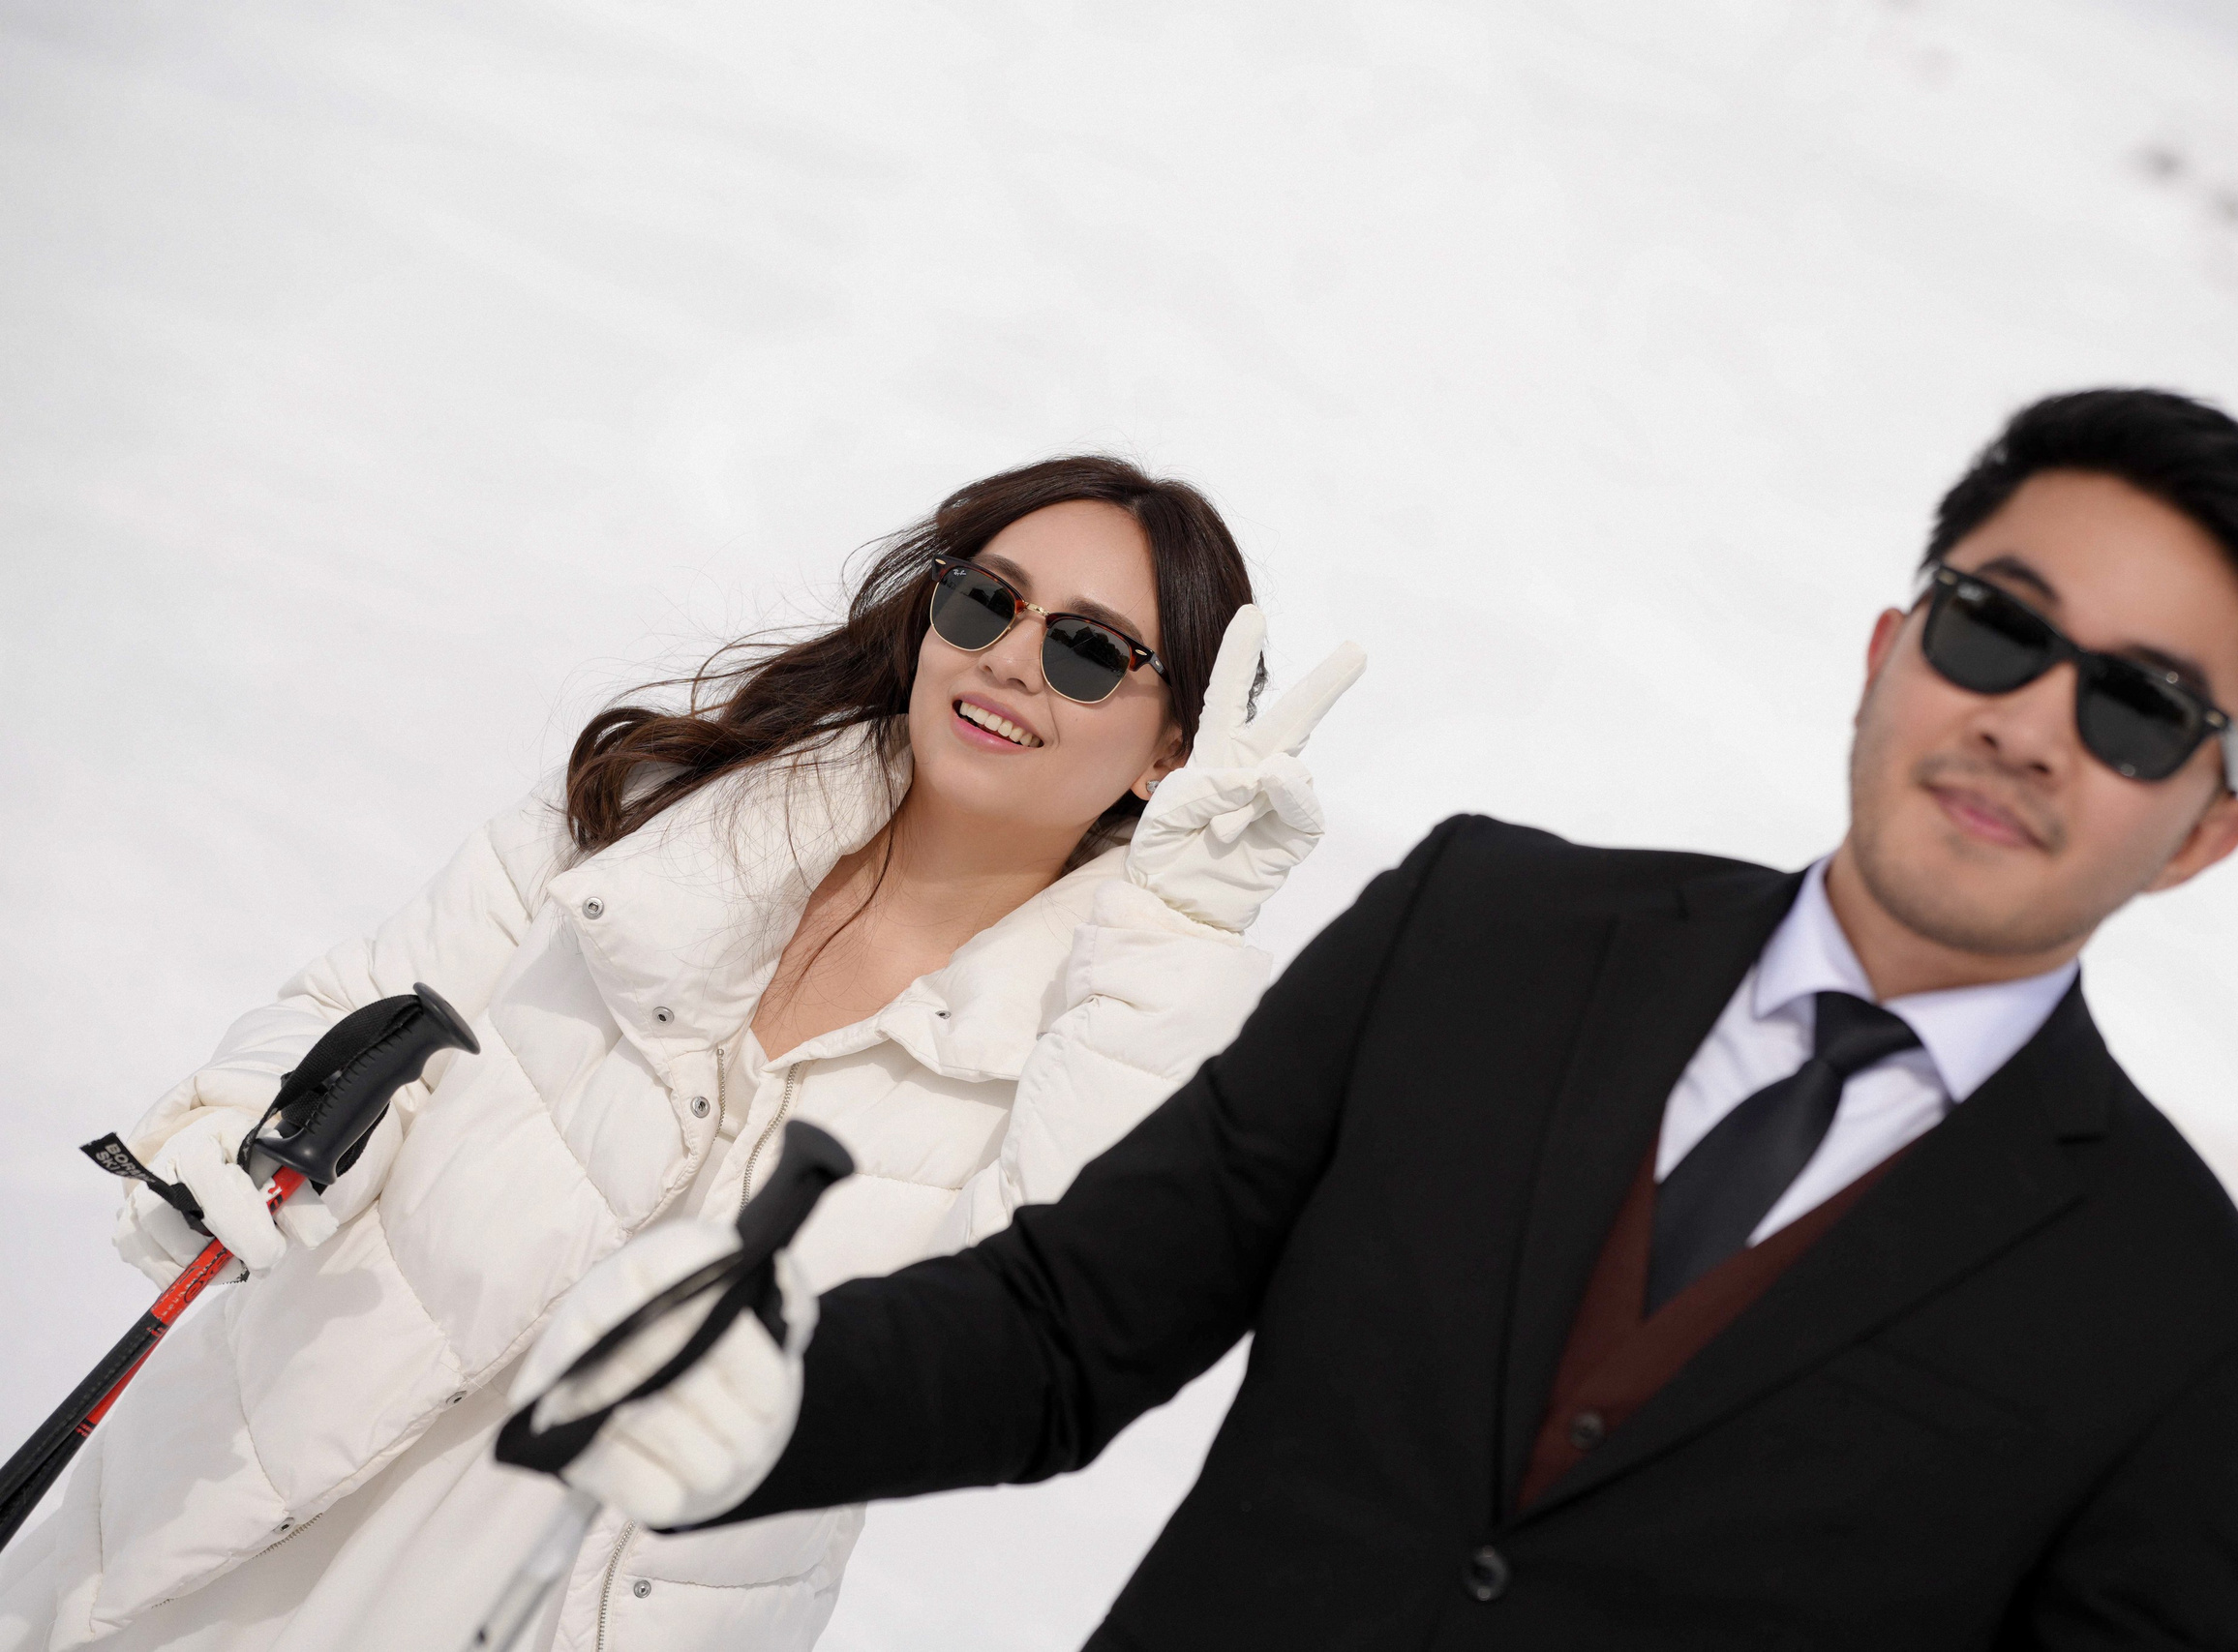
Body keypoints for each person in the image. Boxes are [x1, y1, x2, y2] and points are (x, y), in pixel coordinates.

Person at [525, 389, 2238, 1650]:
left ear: (2209, 831)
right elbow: (1073, 1323)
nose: (2031, 722)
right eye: (1995, 628)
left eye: (2140, 712)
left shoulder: (2192, 1335)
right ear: (1889, 651)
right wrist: (774, 1390)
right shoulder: (1486, 929)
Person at [0, 456, 1365, 1652]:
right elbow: (367, 1004)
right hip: (217, 1541)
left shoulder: (1088, 1049)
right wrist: (244, 1113)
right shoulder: (657, 814)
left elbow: (1038, 1328)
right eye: (983, 599)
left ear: (1170, 750)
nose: (1009, 657)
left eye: (1087, 651)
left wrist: (1179, 928)